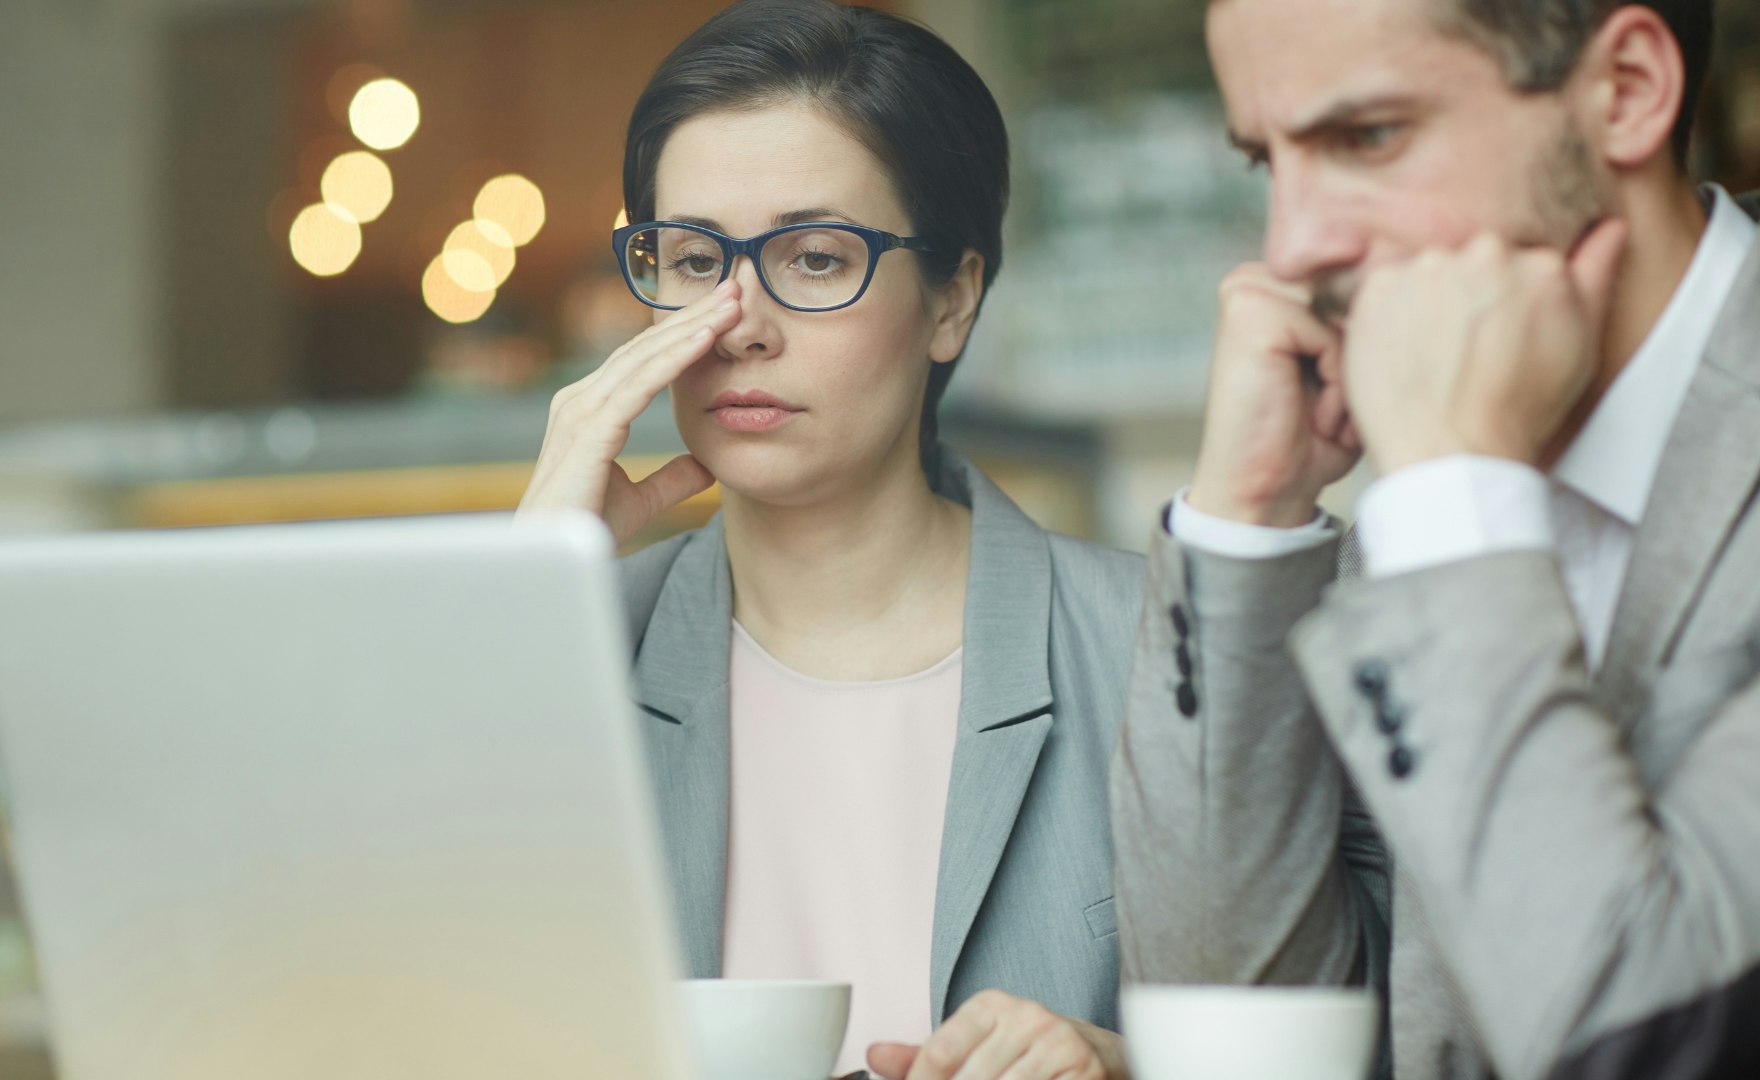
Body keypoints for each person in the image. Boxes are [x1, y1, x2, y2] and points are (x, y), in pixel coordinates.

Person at [1110, 0, 1759, 1077]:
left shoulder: (1437, 515)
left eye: (1367, 138)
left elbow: (1656, 1039)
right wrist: (1248, 517)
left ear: (1630, 89)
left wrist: (1452, 497)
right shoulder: (1414, 520)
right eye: (1264, 161)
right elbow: (1243, 1042)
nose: (1292, 248)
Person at [519, 3, 1141, 1077]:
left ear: (952, 299)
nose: (742, 322)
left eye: (812, 259)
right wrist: (519, 598)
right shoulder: (560, 655)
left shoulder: (1156, 648)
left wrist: (1129, 1066)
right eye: (695, 257)